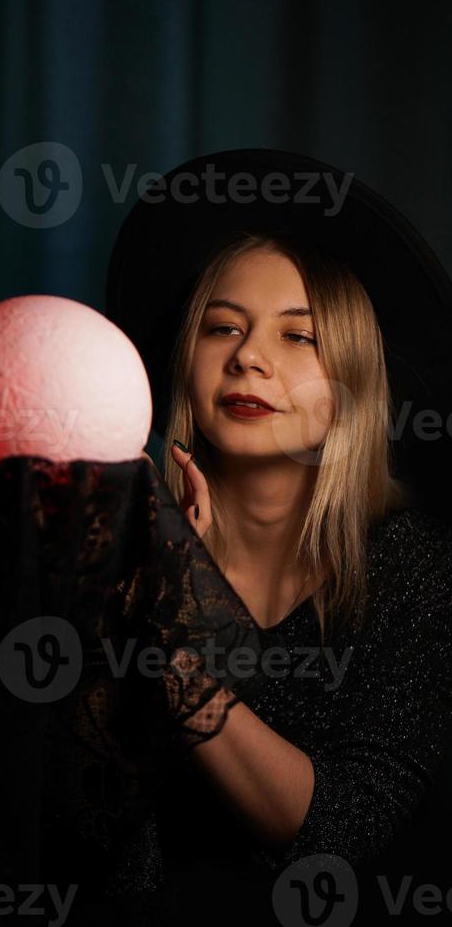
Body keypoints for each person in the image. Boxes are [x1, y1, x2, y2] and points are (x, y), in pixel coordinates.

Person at [103, 147, 452, 924]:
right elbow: (68, 824)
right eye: (223, 327)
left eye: (301, 337)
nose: (249, 357)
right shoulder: (116, 550)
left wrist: (176, 656)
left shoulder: (417, 571)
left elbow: (344, 827)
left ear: (353, 381)